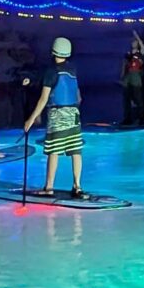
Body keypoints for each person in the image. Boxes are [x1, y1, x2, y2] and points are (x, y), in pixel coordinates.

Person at [23, 37, 88, 199]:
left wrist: (31, 119)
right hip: (74, 114)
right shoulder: (72, 69)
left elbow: (43, 99)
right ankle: (77, 186)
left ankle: (49, 187)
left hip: (57, 115)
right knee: (75, 151)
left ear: (53, 51)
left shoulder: (51, 71)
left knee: (54, 151)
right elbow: (78, 96)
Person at [120, 30, 144, 125]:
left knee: (138, 98)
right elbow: (124, 65)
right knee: (126, 98)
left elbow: (143, 46)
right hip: (128, 76)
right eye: (132, 42)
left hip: (136, 76)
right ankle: (127, 119)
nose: (133, 43)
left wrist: (136, 36)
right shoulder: (128, 54)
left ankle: (141, 118)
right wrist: (122, 76)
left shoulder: (140, 53)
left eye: (135, 42)